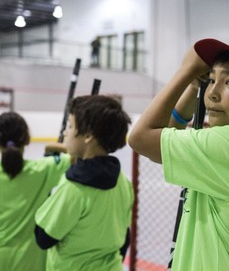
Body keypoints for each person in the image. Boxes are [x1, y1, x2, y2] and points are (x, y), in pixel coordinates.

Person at [128, 34, 229, 270]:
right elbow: (163, 141)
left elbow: (141, 138)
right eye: (211, 80)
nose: (211, 93)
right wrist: (194, 86)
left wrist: (186, 71)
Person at [34, 95, 134, 271]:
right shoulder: (123, 182)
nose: (65, 132)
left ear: (88, 135)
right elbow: (125, 238)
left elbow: (44, 237)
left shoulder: (74, 188)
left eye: (71, 126)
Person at [0, 112, 71, 271]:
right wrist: (55, 149)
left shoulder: (43, 168)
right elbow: (78, 155)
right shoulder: (43, 169)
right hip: (31, 262)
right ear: (27, 139)